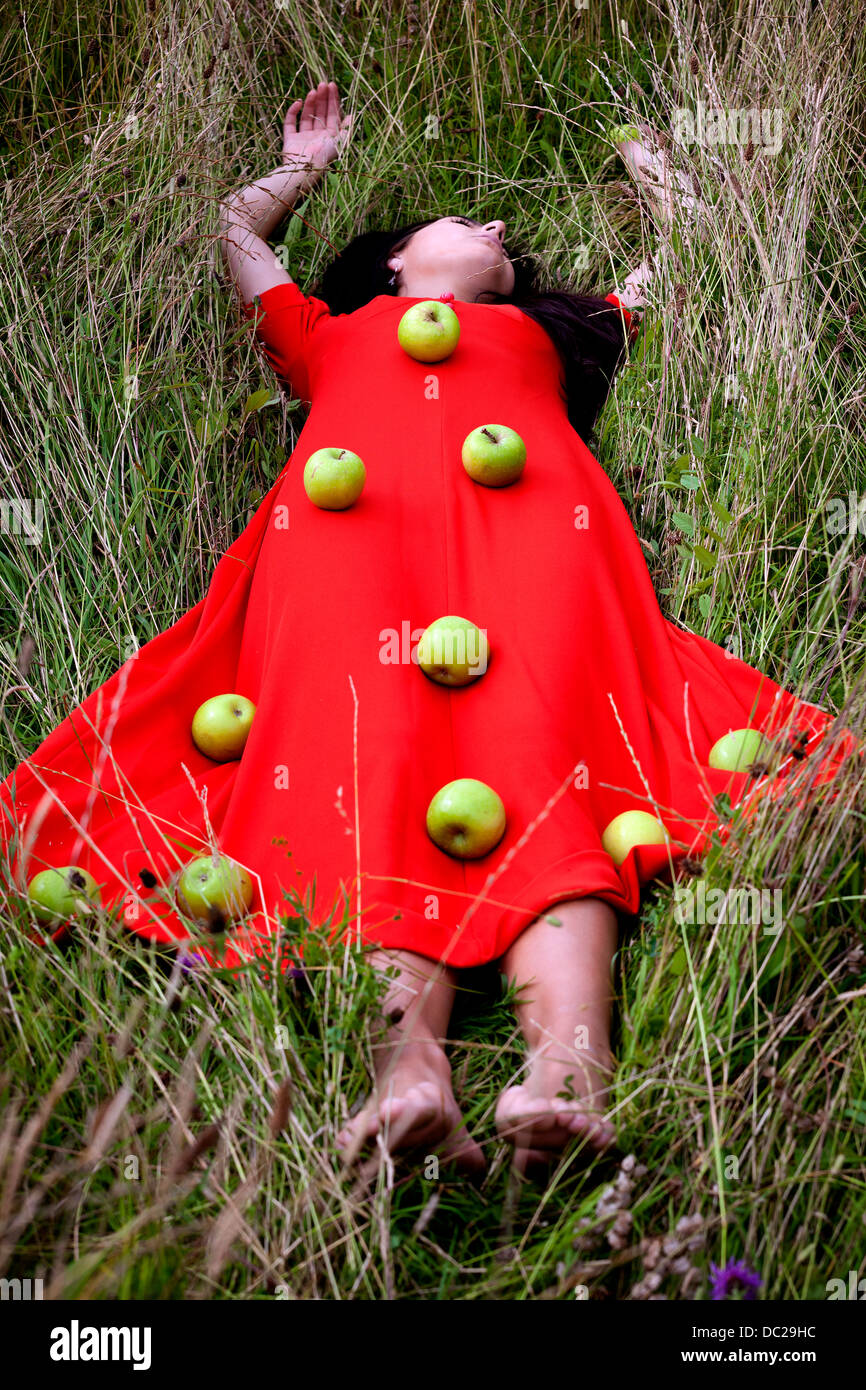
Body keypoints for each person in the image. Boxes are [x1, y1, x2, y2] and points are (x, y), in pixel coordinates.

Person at [1, 82, 854, 1177]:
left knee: (555, 754)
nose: (497, 231)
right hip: (345, 548)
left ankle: (568, 1071)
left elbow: (683, 260)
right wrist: (299, 170)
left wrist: (660, 178)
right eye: (467, 225)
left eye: (499, 234)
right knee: (358, 766)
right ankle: (406, 1074)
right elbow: (230, 229)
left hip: (542, 537)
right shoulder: (322, 331)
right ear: (395, 266)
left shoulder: (549, 330)